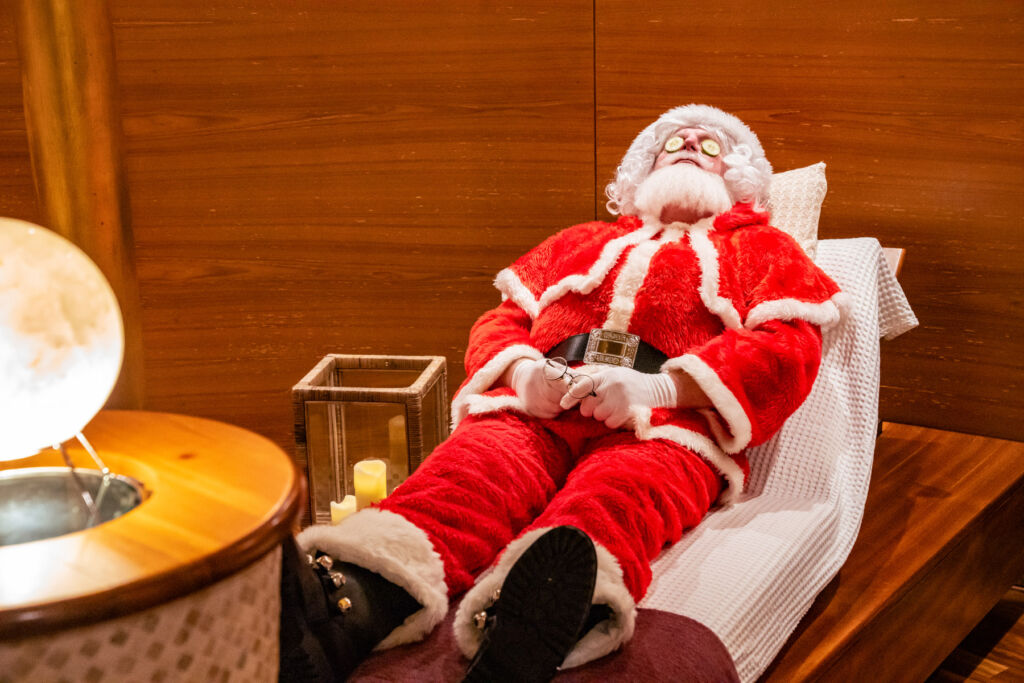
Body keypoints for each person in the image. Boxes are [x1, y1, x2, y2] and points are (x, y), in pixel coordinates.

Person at [278, 104, 846, 682]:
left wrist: (659, 386)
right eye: (674, 142)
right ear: (644, 167)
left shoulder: (766, 250)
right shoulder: (578, 240)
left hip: (663, 429)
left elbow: (787, 351)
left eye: (710, 144)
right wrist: (523, 372)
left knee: (615, 502)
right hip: (535, 409)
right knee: (469, 474)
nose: (691, 145)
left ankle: (532, 628)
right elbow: (501, 321)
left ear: (739, 174)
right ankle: (348, 606)